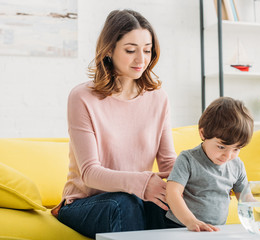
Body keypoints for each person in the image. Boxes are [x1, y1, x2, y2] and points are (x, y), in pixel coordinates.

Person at [51, 9, 177, 238]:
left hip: (134, 200)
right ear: (109, 50)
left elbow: (168, 163)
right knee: (124, 202)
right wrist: (141, 182)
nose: (141, 60)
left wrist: (205, 177)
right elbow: (90, 173)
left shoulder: (159, 99)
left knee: (174, 206)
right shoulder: (82, 97)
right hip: (86, 203)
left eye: (147, 50)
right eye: (130, 50)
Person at [165, 97, 254, 232]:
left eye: (236, 149)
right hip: (180, 227)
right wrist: (191, 221)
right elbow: (172, 193)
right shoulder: (188, 159)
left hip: (214, 230)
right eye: (221, 147)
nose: (228, 156)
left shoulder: (237, 166)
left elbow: (246, 198)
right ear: (203, 133)